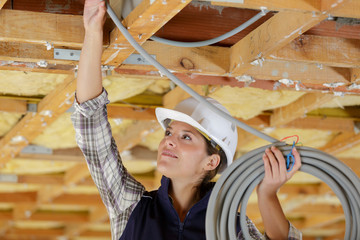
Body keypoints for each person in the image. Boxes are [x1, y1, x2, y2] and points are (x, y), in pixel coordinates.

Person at [71, 0, 302, 239]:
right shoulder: (132, 207)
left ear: (211, 162)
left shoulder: (231, 227)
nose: (168, 141)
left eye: (185, 136)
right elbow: (91, 126)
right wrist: (93, 30)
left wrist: (267, 194)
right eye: (169, 133)